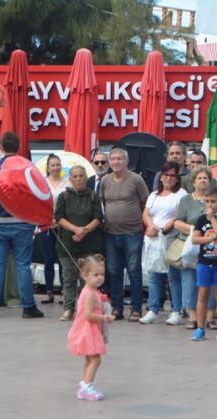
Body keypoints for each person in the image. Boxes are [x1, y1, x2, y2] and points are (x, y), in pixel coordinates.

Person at [0, 131, 44, 319]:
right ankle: (28, 307)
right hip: (22, 222)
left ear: (1, 147)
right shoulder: (26, 168)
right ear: (19, 147)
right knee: (23, 265)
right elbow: (36, 194)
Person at [100, 147, 150, 321]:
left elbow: (146, 202)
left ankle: (136, 309)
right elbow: (104, 203)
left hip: (132, 234)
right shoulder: (105, 181)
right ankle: (117, 308)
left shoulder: (136, 180)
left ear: (126, 161)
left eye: (119, 159)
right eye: (112, 159)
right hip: (110, 234)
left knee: (134, 272)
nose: (115, 162)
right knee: (113, 272)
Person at [139, 161, 187, 325]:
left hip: (171, 237)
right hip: (154, 238)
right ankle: (153, 309)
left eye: (172, 175)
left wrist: (169, 225)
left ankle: (176, 311)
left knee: (174, 276)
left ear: (177, 177)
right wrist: (151, 225)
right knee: (154, 275)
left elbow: (181, 215)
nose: (168, 178)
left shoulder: (181, 194)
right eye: (166, 174)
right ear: (161, 176)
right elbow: (146, 213)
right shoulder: (154, 195)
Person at [55, 165, 104, 321]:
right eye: (75, 176)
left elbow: (98, 218)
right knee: (69, 279)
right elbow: (59, 218)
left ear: (85, 177)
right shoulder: (64, 196)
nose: (78, 179)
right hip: (68, 245)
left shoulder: (93, 196)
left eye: (81, 176)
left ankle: (86, 310)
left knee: (88, 281)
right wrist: (75, 229)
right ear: (70, 179)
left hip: (90, 246)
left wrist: (83, 231)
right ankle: (69, 309)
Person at [175, 166, 217, 329]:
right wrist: (196, 231)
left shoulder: (213, 199)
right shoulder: (186, 200)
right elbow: (177, 222)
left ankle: (209, 316)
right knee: (189, 279)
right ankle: (192, 315)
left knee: (211, 280)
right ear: (193, 181)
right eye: (199, 178)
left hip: (210, 245)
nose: (202, 180)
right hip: (190, 244)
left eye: (205, 178)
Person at [67, 254, 114, 401]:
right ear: (85, 275)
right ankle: (87, 386)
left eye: (102, 274)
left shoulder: (93, 292)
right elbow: (88, 315)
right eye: (96, 275)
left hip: (89, 330)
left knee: (90, 359)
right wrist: (105, 317)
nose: (100, 278)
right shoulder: (89, 294)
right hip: (87, 331)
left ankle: (86, 383)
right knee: (96, 360)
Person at [190, 187, 217, 342]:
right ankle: (200, 329)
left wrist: (213, 219)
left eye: (213, 202)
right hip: (204, 262)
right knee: (202, 295)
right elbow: (195, 239)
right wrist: (210, 238)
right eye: (207, 201)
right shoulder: (201, 219)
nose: (210, 205)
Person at [38, 154, 70, 304]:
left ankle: (64, 291)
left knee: (63, 259)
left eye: (58, 165)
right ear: (48, 168)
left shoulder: (68, 183)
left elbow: (70, 206)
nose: (56, 168)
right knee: (48, 258)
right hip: (46, 225)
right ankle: (49, 291)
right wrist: (48, 219)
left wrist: (61, 220)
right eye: (53, 165)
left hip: (63, 225)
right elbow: (38, 204)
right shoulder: (42, 183)